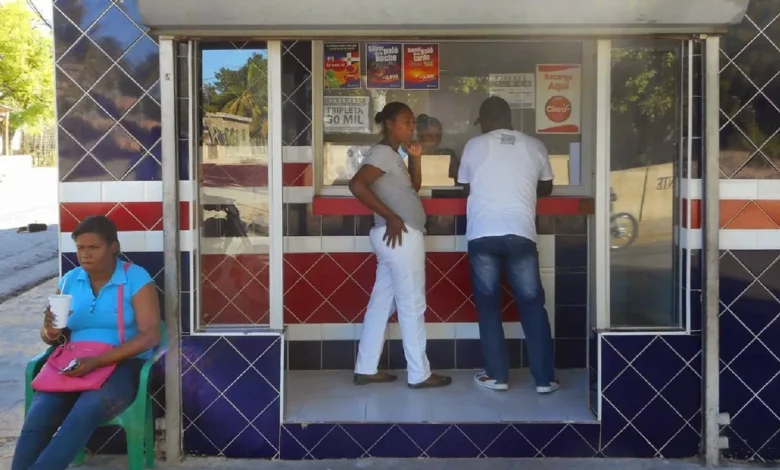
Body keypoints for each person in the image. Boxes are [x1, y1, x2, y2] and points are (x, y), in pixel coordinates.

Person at [12, 215, 161, 470]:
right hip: (74, 362)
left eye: (94, 247)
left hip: (122, 364)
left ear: (113, 246)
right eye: (80, 247)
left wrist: (98, 361)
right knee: (39, 416)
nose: (85, 254)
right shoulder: (70, 280)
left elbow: (151, 335)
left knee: (83, 414)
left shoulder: (135, 278)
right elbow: (51, 336)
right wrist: (50, 330)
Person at [457, 96, 559, 394]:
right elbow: (547, 186)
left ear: (488, 120)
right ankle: (544, 379)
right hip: (521, 232)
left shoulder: (474, 145)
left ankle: (497, 376)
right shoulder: (535, 145)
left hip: (483, 233)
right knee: (532, 304)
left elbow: (465, 185)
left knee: (488, 306)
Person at [349, 102, 451, 389]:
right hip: (400, 237)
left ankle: (366, 367)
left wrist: (415, 158)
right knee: (412, 304)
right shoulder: (383, 153)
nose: (412, 127)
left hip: (395, 239)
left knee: (381, 304)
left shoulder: (393, 155)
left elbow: (411, 190)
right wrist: (391, 217)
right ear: (389, 124)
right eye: (406, 121)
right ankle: (419, 373)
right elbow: (357, 185)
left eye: (412, 122)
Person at [415, 114, 461, 185]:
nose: (435, 139)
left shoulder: (449, 155)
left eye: (438, 135)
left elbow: (457, 183)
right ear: (419, 137)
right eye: (429, 135)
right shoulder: (413, 157)